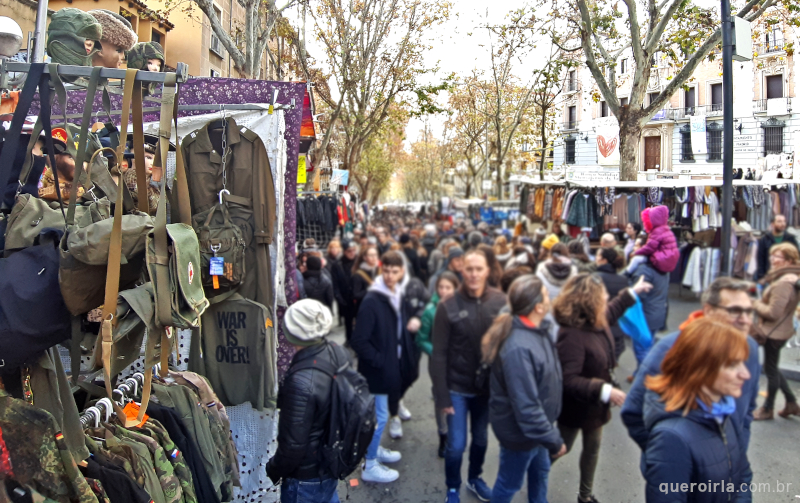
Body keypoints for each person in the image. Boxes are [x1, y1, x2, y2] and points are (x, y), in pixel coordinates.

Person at [622, 277, 761, 498]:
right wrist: (672, 457)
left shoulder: (750, 349)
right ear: (709, 310)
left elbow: (746, 413)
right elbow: (633, 411)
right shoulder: (671, 348)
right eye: (735, 310)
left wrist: (732, 456)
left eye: (749, 311)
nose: (745, 320)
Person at [552, 273, 652, 503]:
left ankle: (585, 496)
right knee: (561, 448)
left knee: (592, 449)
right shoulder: (571, 335)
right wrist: (605, 391)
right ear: (590, 302)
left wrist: (632, 292)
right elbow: (568, 379)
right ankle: (534, 473)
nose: (606, 297)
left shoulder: (594, 319)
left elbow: (612, 310)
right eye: (602, 295)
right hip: (576, 407)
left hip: (595, 406)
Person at [641, 317, 751, 503]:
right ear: (701, 368)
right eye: (733, 364)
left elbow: (742, 476)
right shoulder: (671, 438)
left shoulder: (726, 413)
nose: (745, 374)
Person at [482, 275, 567, 503]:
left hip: (538, 430)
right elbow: (527, 406)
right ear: (538, 307)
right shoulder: (518, 347)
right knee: (509, 484)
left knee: (541, 473)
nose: (550, 298)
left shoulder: (539, 330)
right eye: (546, 295)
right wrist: (553, 439)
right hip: (522, 434)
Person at [431, 249, 507, 503]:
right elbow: (438, 354)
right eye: (469, 269)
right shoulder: (447, 305)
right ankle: (452, 486)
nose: (474, 274)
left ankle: (475, 477)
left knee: (481, 439)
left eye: (479, 269)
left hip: (486, 389)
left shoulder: (500, 301)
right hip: (457, 387)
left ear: (487, 271)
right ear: (462, 270)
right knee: (455, 445)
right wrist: (442, 396)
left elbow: (508, 347)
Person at [350, 251, 418, 483]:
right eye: (386, 271)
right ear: (381, 270)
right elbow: (359, 341)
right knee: (379, 417)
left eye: (394, 271)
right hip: (376, 370)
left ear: (402, 272)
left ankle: (375, 449)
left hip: (388, 366)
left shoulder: (395, 294)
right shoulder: (373, 300)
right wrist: (381, 360)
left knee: (381, 414)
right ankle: (370, 464)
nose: (389, 275)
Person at [265, 300, 342, 503]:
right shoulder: (335, 352)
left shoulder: (300, 382)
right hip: (329, 462)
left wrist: (274, 468)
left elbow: (293, 446)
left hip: (306, 477)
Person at [752, 242, 800, 420]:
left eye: (777, 256)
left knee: (771, 370)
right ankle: (791, 403)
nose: (772, 259)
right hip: (781, 330)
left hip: (773, 332)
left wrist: (755, 303)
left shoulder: (784, 283)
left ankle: (768, 408)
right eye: (772, 255)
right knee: (772, 367)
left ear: (788, 260)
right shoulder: (791, 278)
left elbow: (773, 313)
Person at [417, 271, 461, 458]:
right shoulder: (430, 311)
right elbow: (421, 339)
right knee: (441, 398)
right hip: (438, 363)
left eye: (448, 287)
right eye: (441, 287)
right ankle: (443, 435)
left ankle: (455, 432)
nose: (443, 291)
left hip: (459, 363)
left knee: (458, 397)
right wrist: (436, 352)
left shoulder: (462, 307)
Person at [595, 248, 629, 360]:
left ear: (604, 260)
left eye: (598, 256)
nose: (595, 258)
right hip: (617, 328)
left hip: (599, 327)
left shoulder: (594, 278)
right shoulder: (624, 280)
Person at [632, 206, 679, 274]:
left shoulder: (657, 231)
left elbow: (649, 248)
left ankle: (625, 275)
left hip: (661, 260)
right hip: (669, 259)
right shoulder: (666, 229)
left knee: (636, 259)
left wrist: (636, 253)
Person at [756, 214, 799, 280]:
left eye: (784, 221)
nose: (783, 224)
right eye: (779, 221)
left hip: (787, 275)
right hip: (770, 275)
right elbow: (760, 259)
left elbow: (796, 257)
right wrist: (761, 276)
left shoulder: (791, 238)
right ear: (772, 224)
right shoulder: (765, 239)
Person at [333, 241, 358, 341]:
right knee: (348, 321)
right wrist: (339, 298)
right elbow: (335, 283)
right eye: (349, 251)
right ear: (344, 251)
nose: (352, 253)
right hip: (345, 298)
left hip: (358, 297)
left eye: (353, 250)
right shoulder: (337, 264)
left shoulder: (358, 262)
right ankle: (349, 339)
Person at [352, 245, 379, 315]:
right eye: (371, 255)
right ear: (365, 257)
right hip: (366, 308)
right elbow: (356, 294)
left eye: (375, 255)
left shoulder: (382, 270)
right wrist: (370, 289)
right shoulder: (358, 274)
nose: (374, 257)